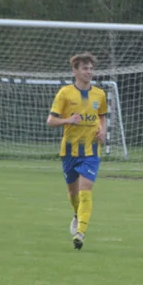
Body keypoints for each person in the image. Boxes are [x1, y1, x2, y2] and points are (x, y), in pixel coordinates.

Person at [46, 52, 108, 250]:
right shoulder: (65, 93)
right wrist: (67, 120)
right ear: (75, 71)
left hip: (91, 151)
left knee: (85, 191)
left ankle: (80, 233)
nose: (89, 72)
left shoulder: (100, 94)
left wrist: (103, 130)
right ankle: (76, 215)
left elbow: (102, 116)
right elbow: (51, 121)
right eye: (85, 69)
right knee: (73, 194)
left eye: (91, 69)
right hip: (69, 152)